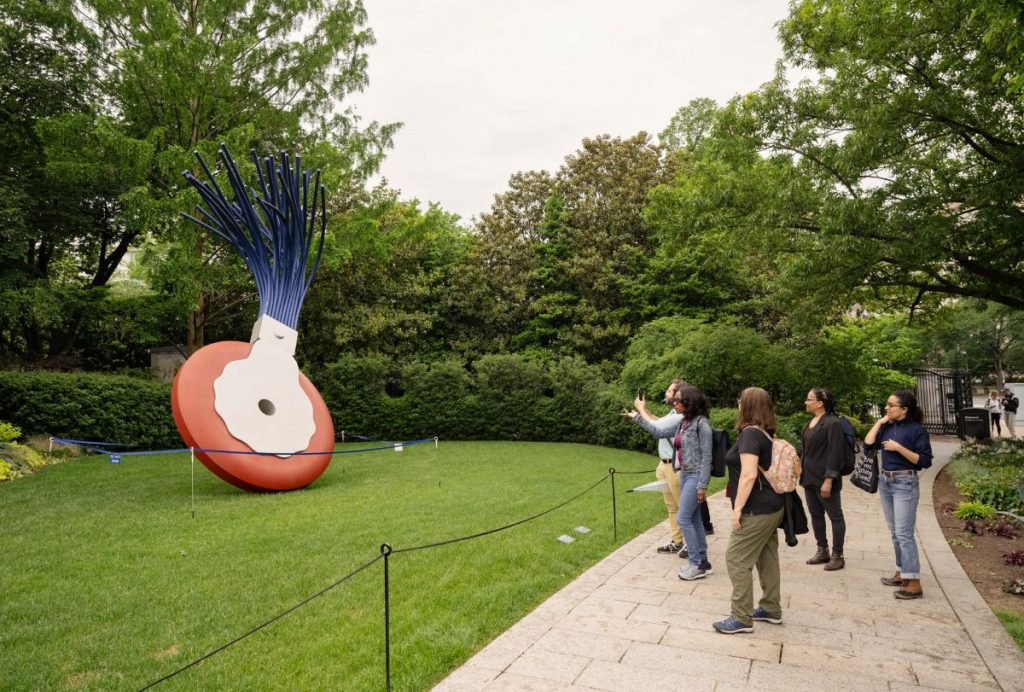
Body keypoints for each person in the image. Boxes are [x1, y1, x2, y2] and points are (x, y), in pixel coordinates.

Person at [712, 387, 785, 634]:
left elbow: (749, 474)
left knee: (736, 558)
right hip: (773, 506)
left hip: (757, 508)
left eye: (740, 400)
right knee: (767, 557)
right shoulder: (764, 433)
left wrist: (738, 509)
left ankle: (741, 617)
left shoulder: (750, 435)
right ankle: (771, 608)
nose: (738, 403)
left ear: (748, 406)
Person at [627, 385, 715, 580]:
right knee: (693, 520)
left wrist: (702, 485)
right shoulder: (684, 422)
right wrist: (638, 418)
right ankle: (703, 562)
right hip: (683, 474)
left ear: (688, 403)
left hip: (695, 476)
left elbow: (707, 457)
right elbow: (658, 432)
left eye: (678, 400)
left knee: (683, 518)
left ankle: (695, 564)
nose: (674, 403)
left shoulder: (703, 425)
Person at [864, 389, 933, 600]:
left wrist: (899, 448)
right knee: (895, 532)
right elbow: (867, 444)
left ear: (903, 409)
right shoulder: (888, 427)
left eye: (890, 405)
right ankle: (901, 571)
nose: (887, 407)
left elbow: (924, 461)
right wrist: (881, 422)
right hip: (886, 482)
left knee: (904, 533)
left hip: (905, 482)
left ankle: (913, 583)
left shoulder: (916, 430)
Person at [634, 380, 685, 554]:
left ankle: (693, 546)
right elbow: (657, 420)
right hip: (664, 465)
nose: (666, 393)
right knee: (672, 507)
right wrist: (645, 410)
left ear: (678, 395)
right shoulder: (673, 412)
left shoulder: (681, 416)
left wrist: (640, 410)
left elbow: (656, 428)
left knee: (684, 508)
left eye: (669, 391)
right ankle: (677, 541)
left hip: (675, 468)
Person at [800, 388, 846, 571]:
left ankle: (838, 555)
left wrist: (829, 479)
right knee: (816, 515)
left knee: (835, 516)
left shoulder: (832, 423)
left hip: (825, 480)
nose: (806, 402)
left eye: (809, 399)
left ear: (820, 403)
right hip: (809, 478)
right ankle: (822, 550)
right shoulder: (811, 421)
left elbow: (835, 454)